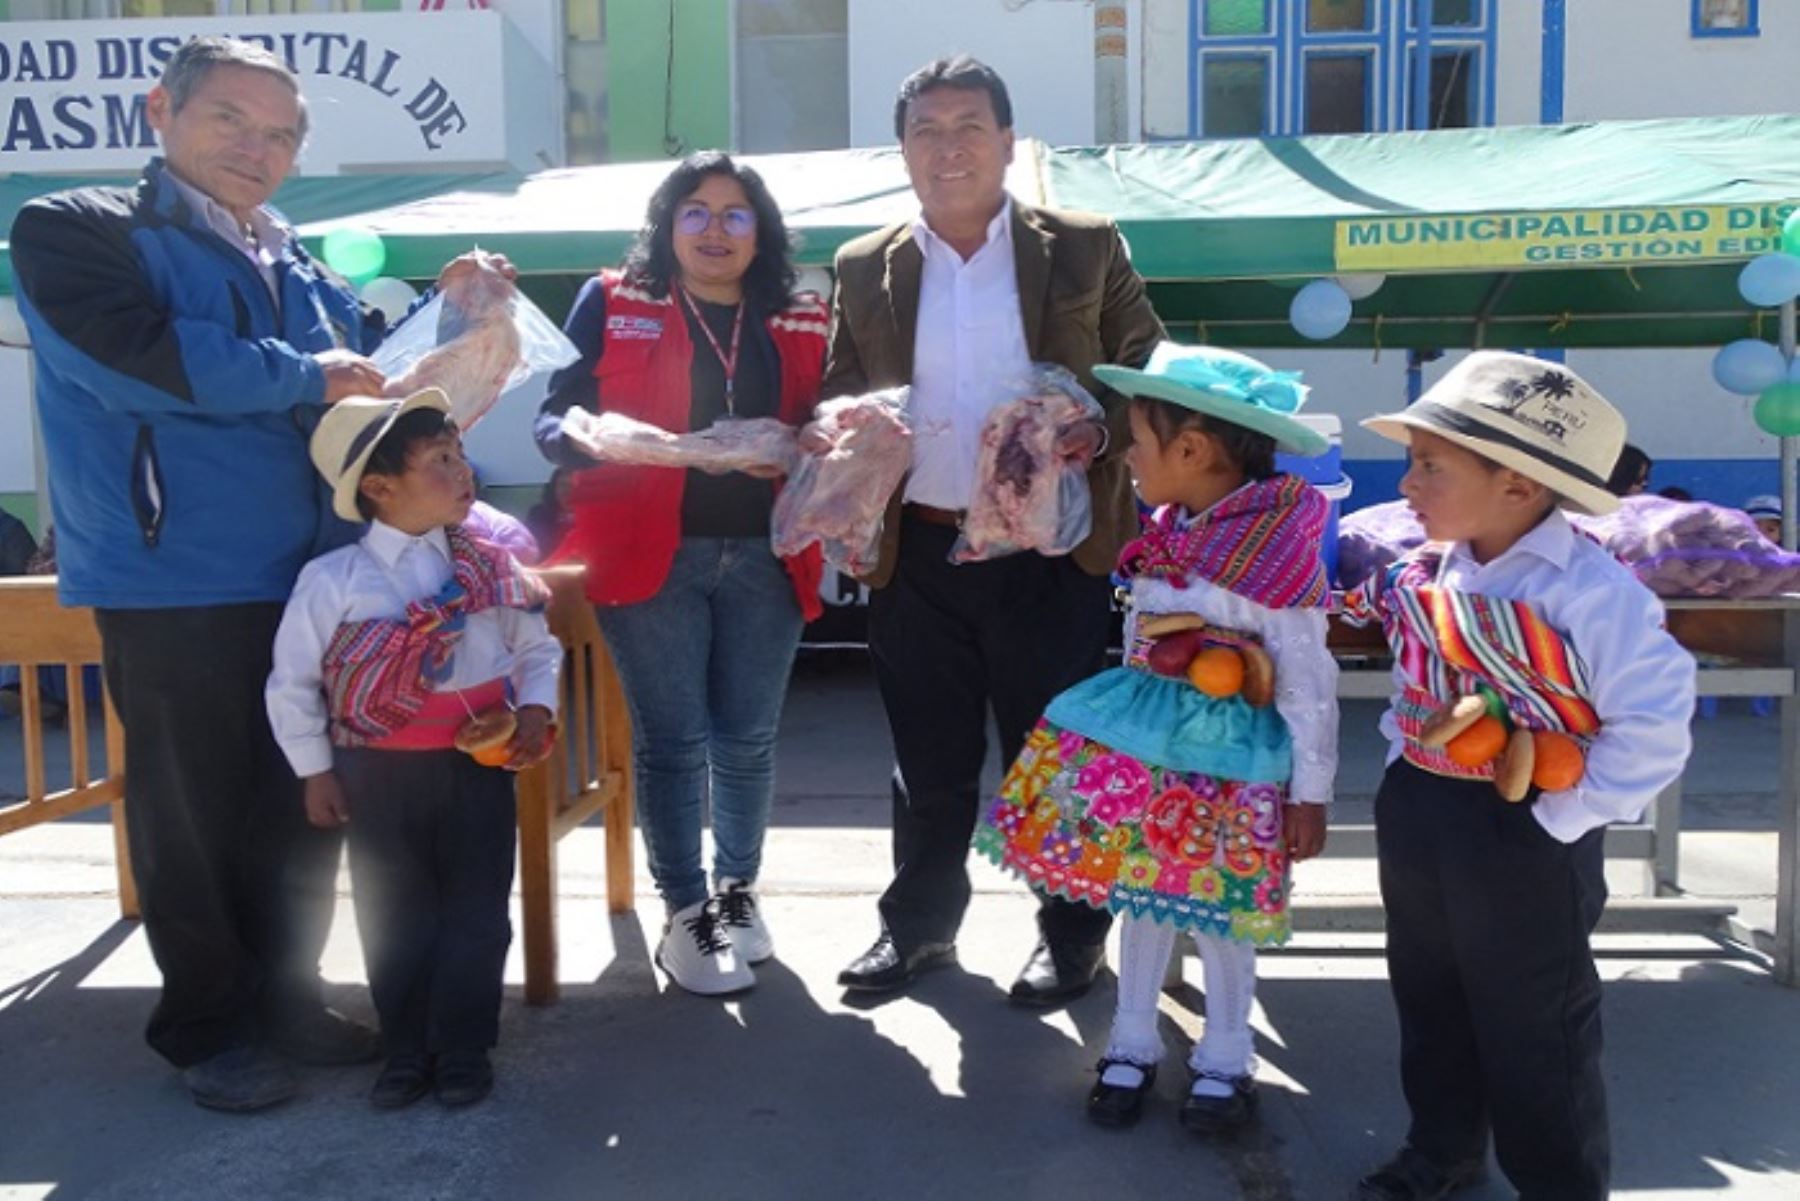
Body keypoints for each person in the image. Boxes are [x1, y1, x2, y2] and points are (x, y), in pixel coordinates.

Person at [9, 35, 504, 1111]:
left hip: (315, 576)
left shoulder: (303, 260)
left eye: (279, 133)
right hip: (174, 573)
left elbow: (386, 372)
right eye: (231, 118)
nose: (256, 147)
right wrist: (311, 372)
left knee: (298, 799)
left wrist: (460, 313)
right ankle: (206, 1026)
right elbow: (135, 354)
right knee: (192, 807)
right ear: (160, 110)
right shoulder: (73, 229)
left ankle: (286, 999)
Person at [822, 55, 1165, 1002]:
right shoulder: (864, 265)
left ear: (1008, 142)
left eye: (969, 125)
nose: (949, 147)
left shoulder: (1085, 246)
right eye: (926, 130)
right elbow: (839, 387)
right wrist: (844, 429)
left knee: (1052, 757)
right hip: (920, 546)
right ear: (902, 149)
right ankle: (920, 930)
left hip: (1047, 551)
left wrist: (1094, 428)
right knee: (925, 759)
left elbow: (1149, 369)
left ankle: (1069, 935)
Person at [1345, 352, 1694, 1201]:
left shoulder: (1592, 591)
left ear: (1519, 485)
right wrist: (1407, 773)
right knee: (1430, 994)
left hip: (1530, 827)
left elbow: (1652, 723)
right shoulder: (1440, 567)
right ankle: (1442, 1149)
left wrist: (1558, 820)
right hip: (1425, 812)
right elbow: (1417, 687)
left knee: (1535, 1023)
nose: (1408, 481)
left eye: (1432, 464)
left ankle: (1558, 1183)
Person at [975, 344, 1338, 1133]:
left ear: (1192, 450)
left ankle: (1227, 1054)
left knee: (1221, 910)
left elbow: (1307, 680)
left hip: (1237, 766)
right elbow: (1143, 640)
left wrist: (1311, 788)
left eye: (1138, 438)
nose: (1129, 455)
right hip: (1152, 752)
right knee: (1145, 894)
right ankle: (1131, 1039)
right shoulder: (1167, 536)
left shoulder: (1276, 554)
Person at [535, 151, 827, 996]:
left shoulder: (799, 313)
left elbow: (829, 417)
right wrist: (589, 434)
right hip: (645, 549)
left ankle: (738, 894)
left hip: (770, 553)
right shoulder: (612, 299)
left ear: (760, 232)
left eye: (736, 213)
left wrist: (826, 437)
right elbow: (554, 415)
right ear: (666, 225)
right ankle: (685, 914)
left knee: (748, 739)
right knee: (675, 742)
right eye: (694, 210)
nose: (714, 229)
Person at [266, 389, 560, 1110]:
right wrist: (314, 771)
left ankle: (462, 1047)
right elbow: (293, 684)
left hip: (476, 770)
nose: (464, 472)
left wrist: (535, 708)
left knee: (478, 907)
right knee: (392, 907)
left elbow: (537, 647)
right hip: (375, 773)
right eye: (440, 460)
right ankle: (405, 1048)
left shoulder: (489, 567)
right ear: (377, 487)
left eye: (460, 455)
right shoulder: (332, 583)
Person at [526, 466, 576, 558]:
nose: (566, 491)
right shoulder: (538, 514)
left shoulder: (592, 516)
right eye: (562, 485)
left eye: (572, 485)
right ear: (554, 488)